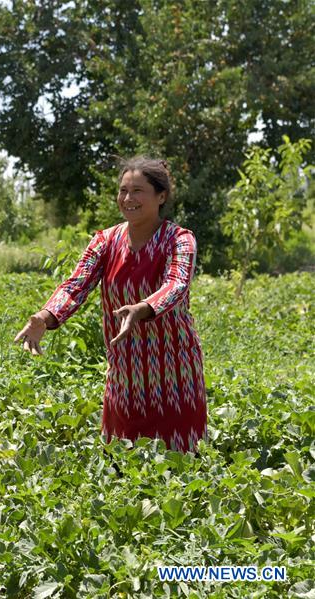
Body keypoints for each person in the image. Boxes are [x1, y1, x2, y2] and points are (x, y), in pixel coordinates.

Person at [14, 157, 206, 453]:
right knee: (122, 470)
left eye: (138, 191)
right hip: (125, 376)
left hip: (175, 377)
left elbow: (177, 284)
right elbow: (75, 285)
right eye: (123, 191)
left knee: (179, 471)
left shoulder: (179, 240)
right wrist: (46, 315)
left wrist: (141, 308)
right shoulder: (105, 241)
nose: (128, 198)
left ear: (161, 196)